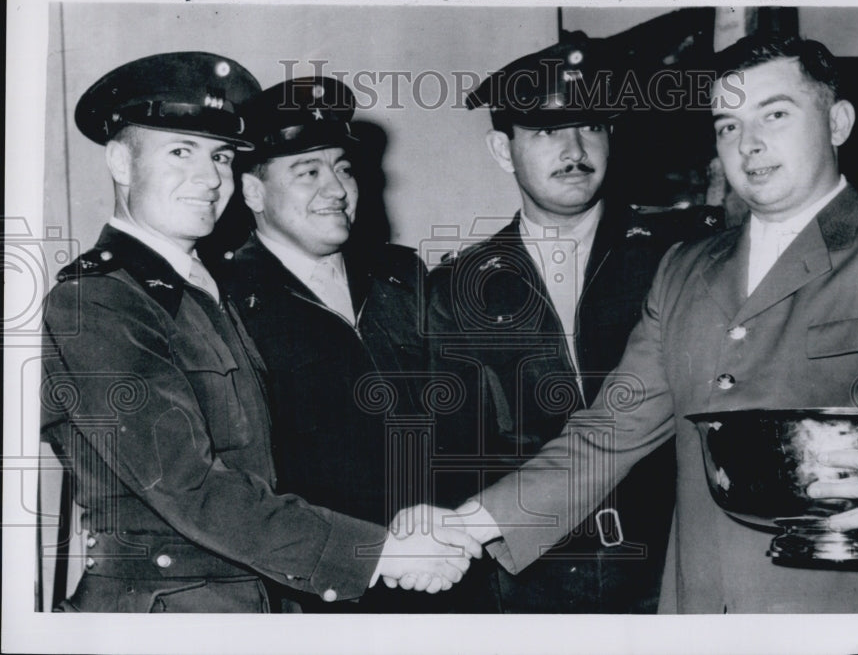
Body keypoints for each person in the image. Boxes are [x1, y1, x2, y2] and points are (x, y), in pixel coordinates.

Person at [444, 33, 858, 614]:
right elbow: (608, 433)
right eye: (728, 125)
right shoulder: (684, 269)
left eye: (776, 114)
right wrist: (465, 526)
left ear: (838, 122)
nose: (750, 144)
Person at [40, 52, 478, 613]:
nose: (208, 178)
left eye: (220, 156)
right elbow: (189, 486)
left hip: (255, 599)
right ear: (121, 163)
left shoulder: (195, 290)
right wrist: (381, 551)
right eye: (180, 153)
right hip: (170, 612)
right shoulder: (98, 300)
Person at [425, 35, 724, 613]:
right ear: (501, 149)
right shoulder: (456, 288)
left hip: (670, 570)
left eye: (592, 126)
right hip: (526, 581)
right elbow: (451, 450)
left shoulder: (682, 257)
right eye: (545, 131)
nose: (575, 148)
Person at [223, 76, 432, 612]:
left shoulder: (402, 274)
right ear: (252, 191)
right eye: (308, 171)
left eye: (342, 167)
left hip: (440, 570)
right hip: (319, 589)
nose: (337, 189)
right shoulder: (224, 299)